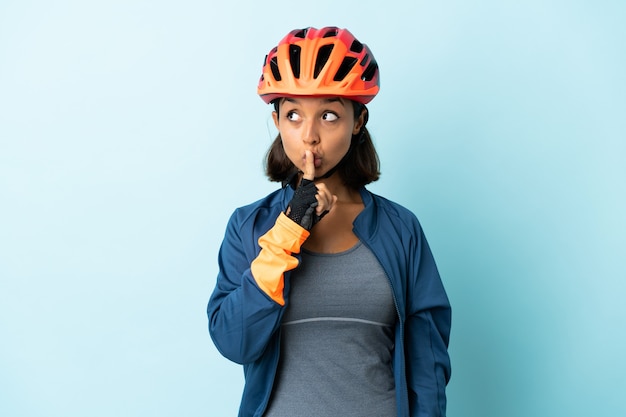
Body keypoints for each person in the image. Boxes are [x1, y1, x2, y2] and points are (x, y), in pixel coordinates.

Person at [207, 26, 451, 417]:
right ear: (276, 120)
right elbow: (235, 342)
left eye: (329, 115)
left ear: (358, 121)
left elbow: (428, 366)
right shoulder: (249, 226)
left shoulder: (401, 229)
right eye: (293, 115)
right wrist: (288, 231)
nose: (309, 136)